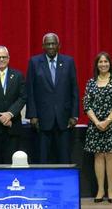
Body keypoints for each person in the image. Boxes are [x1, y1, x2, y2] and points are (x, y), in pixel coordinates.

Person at [25, 33, 79, 164]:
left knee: (64, 157)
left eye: (53, 43)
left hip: (64, 119)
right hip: (42, 120)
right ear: (43, 46)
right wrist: (32, 115)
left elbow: (74, 89)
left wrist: (74, 115)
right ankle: (42, 184)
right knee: (42, 158)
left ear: (58, 45)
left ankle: (64, 183)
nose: (50, 46)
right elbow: (30, 90)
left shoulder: (68, 62)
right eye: (48, 44)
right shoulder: (34, 62)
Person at [83, 52, 112, 203]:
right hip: (95, 126)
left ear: (110, 64)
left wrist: (107, 121)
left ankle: (111, 189)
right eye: (100, 62)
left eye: (106, 62)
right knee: (99, 156)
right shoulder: (91, 82)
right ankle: (100, 189)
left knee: (111, 155)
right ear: (97, 65)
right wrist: (97, 122)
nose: (103, 64)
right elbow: (86, 105)